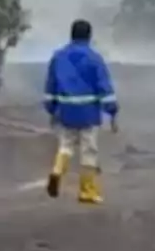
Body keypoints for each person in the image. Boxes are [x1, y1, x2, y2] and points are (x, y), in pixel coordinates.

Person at [44, 19, 119, 204]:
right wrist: (112, 112)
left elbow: (50, 86)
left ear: (72, 34)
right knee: (89, 151)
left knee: (66, 146)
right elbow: (104, 87)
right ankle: (87, 191)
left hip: (66, 111)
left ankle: (57, 171)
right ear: (89, 36)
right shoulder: (94, 58)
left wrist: (51, 109)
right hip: (88, 112)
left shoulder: (58, 56)